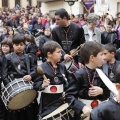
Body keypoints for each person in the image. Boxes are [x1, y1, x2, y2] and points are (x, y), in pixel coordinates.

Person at [65, 41, 110, 120]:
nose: (104, 57)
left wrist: (102, 91)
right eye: (101, 54)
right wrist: (82, 107)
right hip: (83, 114)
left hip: (99, 112)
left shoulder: (101, 73)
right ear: (92, 57)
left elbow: (108, 93)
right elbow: (69, 96)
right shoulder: (78, 75)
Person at [33, 41, 74, 120]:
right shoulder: (41, 67)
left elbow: (68, 82)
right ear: (49, 54)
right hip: (48, 102)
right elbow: (35, 85)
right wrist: (42, 85)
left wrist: (67, 91)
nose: (61, 54)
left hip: (62, 100)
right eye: (58, 52)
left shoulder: (62, 66)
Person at [2, 34, 38, 120]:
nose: (19, 47)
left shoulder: (28, 57)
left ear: (24, 45)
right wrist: (11, 88)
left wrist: (30, 75)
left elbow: (35, 69)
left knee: (30, 113)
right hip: (13, 88)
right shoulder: (7, 58)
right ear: (13, 45)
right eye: (16, 45)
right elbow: (4, 75)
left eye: (21, 45)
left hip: (27, 86)